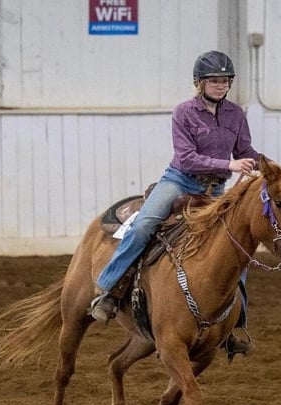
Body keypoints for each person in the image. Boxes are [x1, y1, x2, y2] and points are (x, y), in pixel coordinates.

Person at [90, 50, 259, 353]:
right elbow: (187, 158)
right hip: (180, 182)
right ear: (199, 83)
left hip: (215, 190)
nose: (221, 85)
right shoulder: (184, 112)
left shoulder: (235, 114)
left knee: (238, 248)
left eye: (225, 80)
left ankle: (234, 324)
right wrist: (229, 165)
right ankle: (108, 290)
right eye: (214, 80)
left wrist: (270, 168)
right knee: (144, 226)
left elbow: (245, 151)